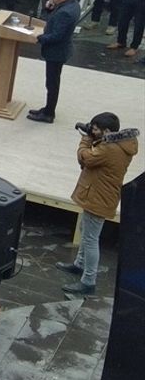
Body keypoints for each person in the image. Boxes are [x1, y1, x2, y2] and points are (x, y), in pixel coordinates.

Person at [56, 112, 139, 295]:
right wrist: (94, 137)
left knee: (91, 239)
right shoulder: (118, 144)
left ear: (107, 131)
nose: (92, 131)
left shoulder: (109, 149)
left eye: (95, 129)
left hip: (98, 198)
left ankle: (88, 281)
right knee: (86, 233)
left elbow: (86, 158)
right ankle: (79, 264)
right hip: (98, 194)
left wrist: (85, 140)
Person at [27, 0, 80, 123]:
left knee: (52, 83)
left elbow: (57, 36)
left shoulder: (65, 13)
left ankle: (49, 114)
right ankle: (47, 108)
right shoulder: (73, 4)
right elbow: (54, 22)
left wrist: (39, 38)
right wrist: (50, 8)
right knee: (52, 82)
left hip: (57, 52)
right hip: (61, 49)